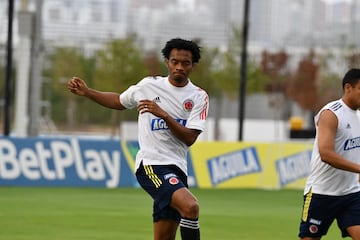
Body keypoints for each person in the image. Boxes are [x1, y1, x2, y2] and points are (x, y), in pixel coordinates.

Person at [67, 38, 209, 240]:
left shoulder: (198, 97)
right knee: (190, 206)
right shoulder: (148, 86)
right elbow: (119, 101)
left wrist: (164, 116)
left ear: (193, 66)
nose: (179, 67)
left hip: (177, 168)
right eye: (174, 62)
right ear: (167, 62)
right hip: (151, 165)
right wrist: (88, 92)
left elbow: (189, 138)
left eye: (185, 63)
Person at [298, 68, 360, 240]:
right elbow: (326, 153)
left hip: (351, 194)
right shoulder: (331, 113)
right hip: (321, 193)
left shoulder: (359, 116)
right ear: (348, 88)